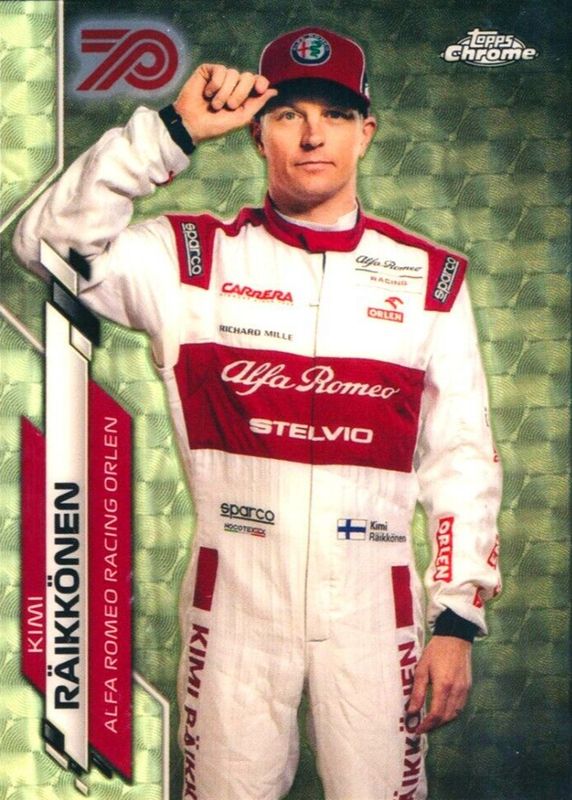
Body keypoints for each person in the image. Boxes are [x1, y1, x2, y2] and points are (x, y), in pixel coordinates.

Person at [14, 26, 501, 800]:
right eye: (288, 114)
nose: (312, 135)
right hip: (234, 605)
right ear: (254, 131)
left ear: (366, 132)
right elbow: (47, 245)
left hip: (375, 610)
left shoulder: (428, 279)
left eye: (336, 115)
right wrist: (169, 133)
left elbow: (462, 457)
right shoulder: (189, 261)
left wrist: (457, 619)